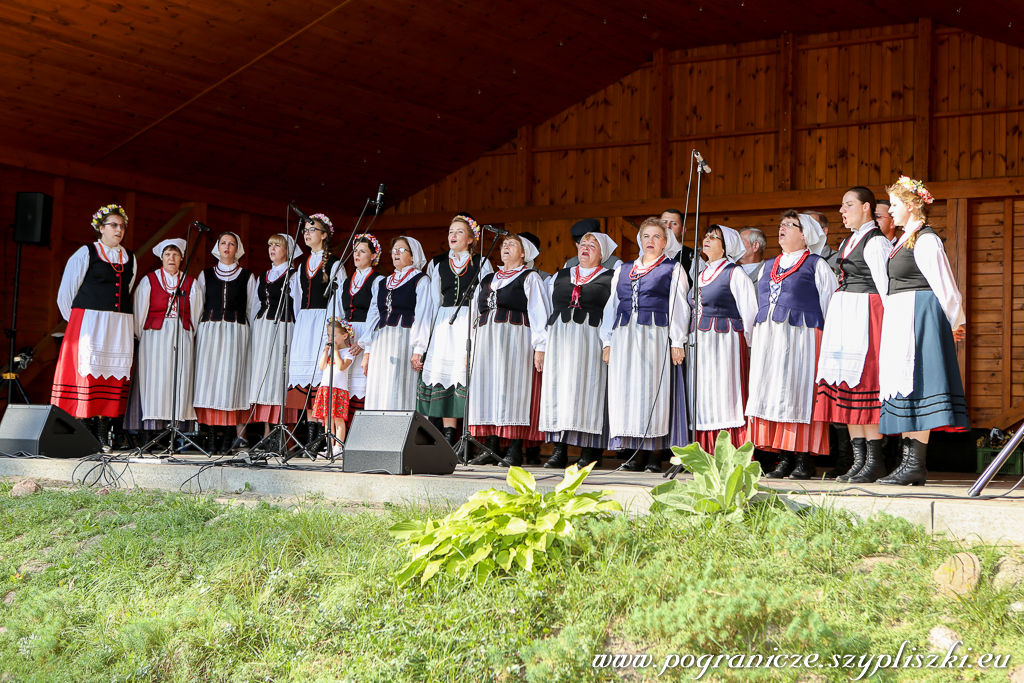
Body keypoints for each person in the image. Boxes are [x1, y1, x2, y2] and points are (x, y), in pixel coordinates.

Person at [877, 177, 969, 486]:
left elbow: (946, 287)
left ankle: (915, 464)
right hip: (903, 317)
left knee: (917, 384)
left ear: (912, 205)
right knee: (905, 384)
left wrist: (955, 323)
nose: (890, 210)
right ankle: (908, 464)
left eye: (894, 204)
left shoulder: (926, 239)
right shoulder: (902, 240)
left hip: (921, 316)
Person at [746, 211, 837, 479]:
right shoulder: (768, 265)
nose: (783, 228)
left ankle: (803, 459)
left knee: (798, 394)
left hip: (802, 340)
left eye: (790, 225)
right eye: (781, 224)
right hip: (769, 342)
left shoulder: (817, 265)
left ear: (805, 234)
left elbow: (830, 308)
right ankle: (783, 457)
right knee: (775, 394)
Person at [813, 187, 893, 482]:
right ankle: (859, 461)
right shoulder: (849, 240)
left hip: (867, 316)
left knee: (864, 386)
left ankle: (875, 461)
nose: (842, 211)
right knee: (847, 387)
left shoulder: (875, 243)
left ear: (867, 207)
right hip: (847, 316)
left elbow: (885, 289)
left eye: (848, 205)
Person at [600, 217, 690, 472]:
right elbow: (612, 306)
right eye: (646, 236)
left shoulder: (673, 269)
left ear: (665, 242)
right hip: (625, 335)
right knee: (628, 391)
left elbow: (680, 306)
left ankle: (654, 455)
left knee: (652, 391)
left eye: (656, 237)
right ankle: (633, 452)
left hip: (655, 334)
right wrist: (607, 340)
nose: (650, 241)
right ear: (640, 240)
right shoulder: (623, 269)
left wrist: (677, 341)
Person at [52, 205, 137, 450]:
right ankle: (86, 432)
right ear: (100, 228)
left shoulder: (130, 257)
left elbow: (127, 288)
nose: (118, 229)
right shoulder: (86, 253)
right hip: (89, 322)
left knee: (111, 375)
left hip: (118, 323)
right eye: (113, 225)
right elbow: (66, 294)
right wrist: (79, 323)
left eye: (122, 226)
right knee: (88, 375)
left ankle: (103, 432)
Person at [467, 234, 550, 467]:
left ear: (524, 253)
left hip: (516, 339)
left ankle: (514, 451)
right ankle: (489, 448)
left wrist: (540, 348)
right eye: (504, 245)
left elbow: (539, 314)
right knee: (489, 390)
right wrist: (470, 348)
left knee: (514, 390)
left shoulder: (530, 277)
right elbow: (475, 314)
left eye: (512, 244)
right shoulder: (488, 278)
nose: (506, 247)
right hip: (486, 340)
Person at [539, 231, 618, 469]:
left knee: (588, 391)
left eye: (592, 245)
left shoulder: (611, 277)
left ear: (602, 253)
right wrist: (541, 346)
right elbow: (544, 310)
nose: (586, 247)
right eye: (583, 244)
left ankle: (590, 451)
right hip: (560, 340)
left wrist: (608, 343)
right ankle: (559, 450)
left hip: (590, 338)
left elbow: (612, 312)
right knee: (559, 391)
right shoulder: (560, 276)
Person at [417, 215, 493, 445]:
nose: (453, 235)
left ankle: (461, 437)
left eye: (459, 232)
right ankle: (441, 436)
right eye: (451, 231)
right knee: (442, 376)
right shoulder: (438, 264)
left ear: (471, 239)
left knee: (461, 377)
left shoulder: (481, 262)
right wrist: (422, 343)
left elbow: (485, 298)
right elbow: (432, 301)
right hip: (444, 323)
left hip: (468, 323)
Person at [688, 225, 759, 452]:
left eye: (713, 237)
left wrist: (751, 346)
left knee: (726, 392)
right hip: (702, 342)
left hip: (725, 341)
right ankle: (706, 450)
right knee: (705, 393)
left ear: (726, 246)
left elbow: (749, 313)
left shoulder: (735, 273)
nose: (706, 240)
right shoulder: (700, 274)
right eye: (706, 236)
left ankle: (730, 449)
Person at [193, 232, 258, 454]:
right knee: (209, 381)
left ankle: (229, 438)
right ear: (217, 247)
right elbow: (198, 306)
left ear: (237, 248)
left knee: (231, 382)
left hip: (236, 332)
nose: (227, 246)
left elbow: (252, 309)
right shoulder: (205, 275)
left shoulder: (248, 276)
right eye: (223, 243)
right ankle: (211, 438)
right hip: (209, 331)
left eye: (231, 243)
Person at [288, 213, 346, 451]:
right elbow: (297, 299)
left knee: (320, 377)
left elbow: (339, 299)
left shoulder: (334, 263)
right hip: (305, 322)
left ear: (324, 235)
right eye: (305, 230)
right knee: (305, 382)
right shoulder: (301, 265)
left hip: (323, 321)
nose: (307, 233)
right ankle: (311, 436)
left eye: (312, 229)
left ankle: (323, 436)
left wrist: (333, 331)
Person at [133, 239, 203, 438]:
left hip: (182, 335)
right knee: (155, 379)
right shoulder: (149, 280)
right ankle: (152, 431)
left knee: (180, 378)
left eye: (175, 255)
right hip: (155, 336)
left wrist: (187, 332)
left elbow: (196, 315)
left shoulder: (191, 283)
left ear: (181, 258)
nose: (171, 258)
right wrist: (144, 334)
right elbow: (140, 313)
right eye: (167, 255)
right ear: (161, 258)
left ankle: (175, 432)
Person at [361, 236, 434, 411]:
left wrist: (418, 350)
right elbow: (373, 316)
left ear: (413, 256)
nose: (396, 253)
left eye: (401, 250)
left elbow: (424, 315)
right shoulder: (382, 282)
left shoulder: (421, 280)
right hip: (381, 342)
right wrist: (367, 350)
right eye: (394, 250)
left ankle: (399, 433)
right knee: (380, 386)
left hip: (405, 339)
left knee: (399, 387)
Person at [250, 234, 302, 438]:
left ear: (288, 251)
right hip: (264, 328)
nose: (272, 248)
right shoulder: (263, 276)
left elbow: (297, 304)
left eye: (277, 245)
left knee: (280, 377)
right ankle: (266, 432)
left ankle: (284, 435)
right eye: (270, 245)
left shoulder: (294, 275)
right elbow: (256, 304)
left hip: (284, 327)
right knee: (264, 376)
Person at [340, 234, 383, 428]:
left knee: (363, 385)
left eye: (363, 251)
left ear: (374, 256)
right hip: (348, 335)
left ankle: (361, 432)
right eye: (355, 251)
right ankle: (342, 435)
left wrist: (364, 341)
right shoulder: (347, 281)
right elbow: (341, 311)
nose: (357, 254)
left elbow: (377, 313)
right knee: (344, 384)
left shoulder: (378, 280)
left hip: (367, 333)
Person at [312, 319, 355, 458]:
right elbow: (322, 366)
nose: (331, 339)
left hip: (339, 390)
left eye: (334, 336)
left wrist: (336, 351)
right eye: (329, 336)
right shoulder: (330, 352)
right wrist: (326, 351)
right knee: (327, 420)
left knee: (338, 419)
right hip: (326, 388)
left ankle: (339, 447)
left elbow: (342, 366)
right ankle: (329, 446)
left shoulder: (349, 352)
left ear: (344, 336)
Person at [661, 209, 696, 286]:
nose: (668, 226)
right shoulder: (649, 253)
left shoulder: (693, 256)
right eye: (664, 222)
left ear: (683, 230)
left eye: (674, 223)